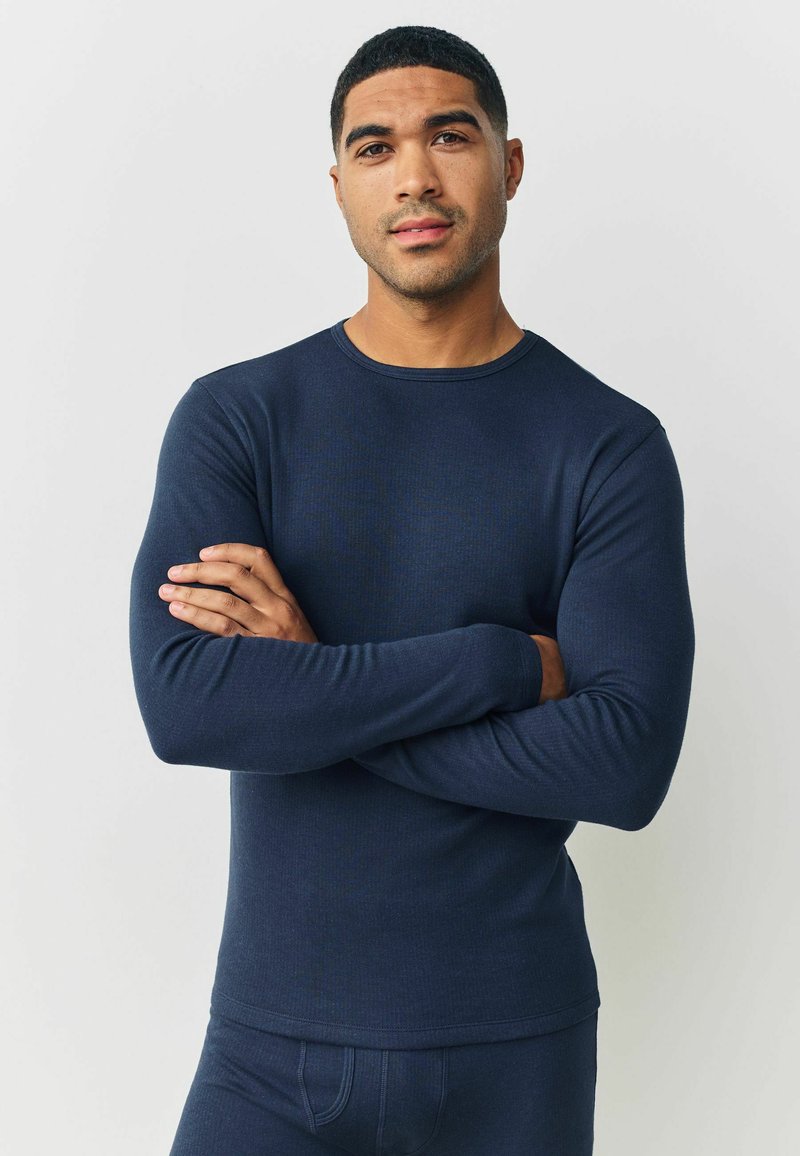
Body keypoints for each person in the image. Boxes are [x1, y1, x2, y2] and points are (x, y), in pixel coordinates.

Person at [129, 24, 695, 1156]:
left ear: (509, 165)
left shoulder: (607, 444)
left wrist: (310, 682)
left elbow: (622, 765)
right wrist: (499, 662)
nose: (416, 178)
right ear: (340, 185)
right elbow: (189, 710)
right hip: (267, 1054)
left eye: (451, 136)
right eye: (375, 147)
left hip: (513, 1053)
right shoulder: (238, 417)